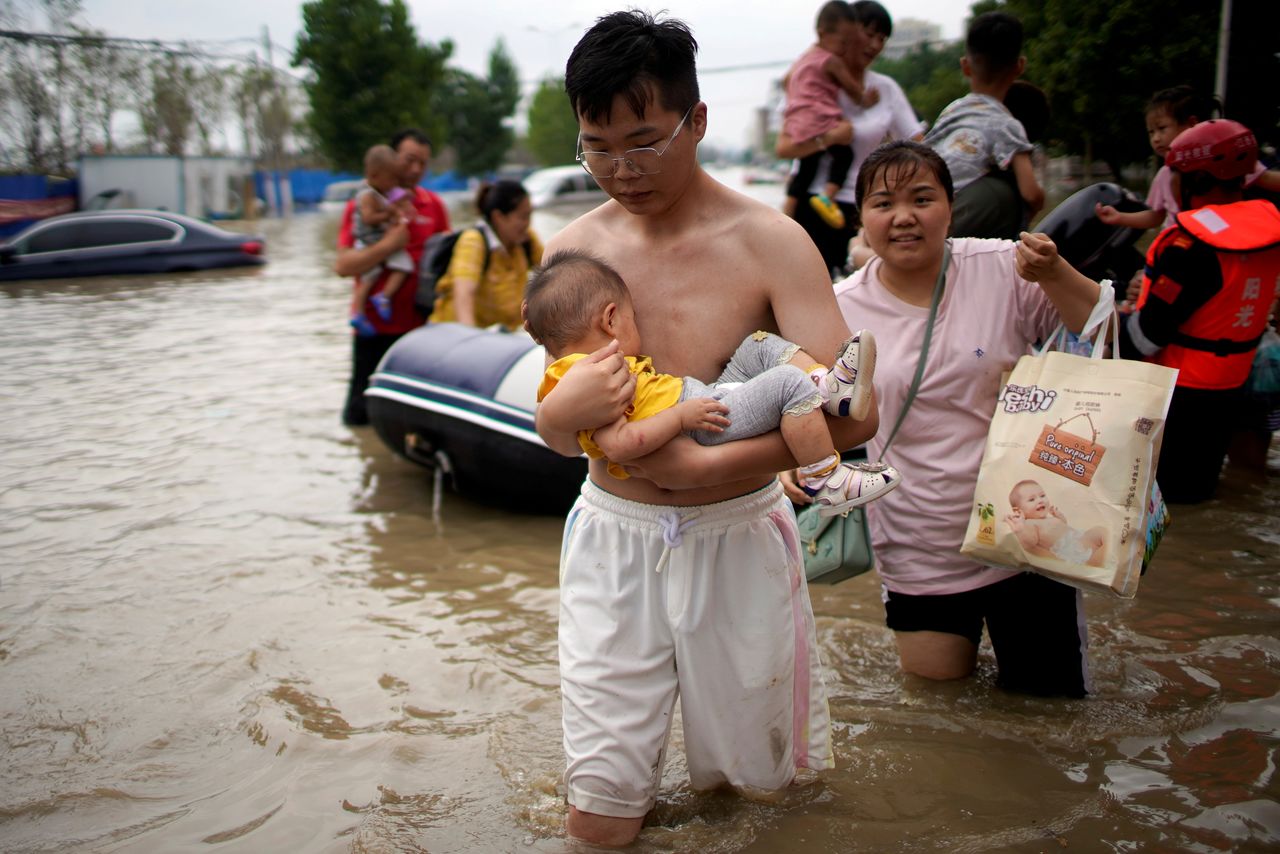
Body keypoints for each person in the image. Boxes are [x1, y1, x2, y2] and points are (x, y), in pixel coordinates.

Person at [535, 10, 878, 846]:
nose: (621, 168)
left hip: (737, 535)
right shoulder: (574, 254)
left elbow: (851, 411)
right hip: (614, 538)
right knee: (600, 811)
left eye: (644, 141)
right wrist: (558, 421)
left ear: (698, 121)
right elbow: (555, 422)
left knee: (754, 799)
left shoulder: (771, 243)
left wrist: (700, 473)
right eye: (597, 145)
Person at [804, 140, 1100, 698]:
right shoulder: (839, 308)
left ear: (950, 205)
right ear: (863, 217)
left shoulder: (1004, 268)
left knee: (1053, 712)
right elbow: (807, 405)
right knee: (941, 711)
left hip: (1028, 531)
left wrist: (1057, 273)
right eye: (883, 203)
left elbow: (1098, 331)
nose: (904, 217)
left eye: (922, 198)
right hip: (918, 540)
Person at [525, 249, 896, 513]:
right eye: (633, 317)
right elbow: (620, 446)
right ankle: (825, 478)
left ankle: (826, 386)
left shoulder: (573, 368)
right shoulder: (595, 373)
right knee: (785, 383)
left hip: (701, 398)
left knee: (757, 345)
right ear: (610, 320)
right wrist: (681, 418)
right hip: (699, 424)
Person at [1117, 119, 1280, 503]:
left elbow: (1147, 335)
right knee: (1200, 492)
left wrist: (1104, 319)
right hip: (1230, 384)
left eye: (1175, 174)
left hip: (1180, 393)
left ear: (1198, 180)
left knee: (1161, 502)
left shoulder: (1189, 247)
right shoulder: (1270, 230)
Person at [776, 0, 923, 278]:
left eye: (882, 38)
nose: (875, 45)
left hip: (865, 208)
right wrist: (830, 138)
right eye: (869, 34)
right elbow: (783, 148)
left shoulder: (885, 89)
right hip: (814, 205)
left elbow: (918, 145)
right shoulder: (812, 83)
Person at [335, 129, 452, 426]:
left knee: (412, 420)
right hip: (373, 329)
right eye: (409, 160)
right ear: (389, 159)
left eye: (423, 164)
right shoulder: (363, 205)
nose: (415, 170)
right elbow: (343, 265)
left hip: (420, 330)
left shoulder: (434, 206)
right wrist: (388, 246)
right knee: (361, 417)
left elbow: (447, 261)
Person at [923, 11, 1044, 240]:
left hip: (923, 204)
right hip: (954, 217)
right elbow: (1030, 193)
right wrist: (1039, 202)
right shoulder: (1008, 124)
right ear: (1020, 66)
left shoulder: (951, 110)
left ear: (965, 66)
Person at [1096, 86, 1280, 233]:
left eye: (1162, 128)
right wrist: (1120, 217)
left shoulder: (1227, 159)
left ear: (1192, 124)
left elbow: (1269, 180)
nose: (1156, 138)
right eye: (1151, 132)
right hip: (1180, 249)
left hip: (1225, 244)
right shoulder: (1164, 174)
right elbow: (1156, 216)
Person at [781, 1, 879, 229]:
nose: (845, 48)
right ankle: (828, 196)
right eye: (843, 42)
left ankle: (789, 205)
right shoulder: (831, 61)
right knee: (844, 154)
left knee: (807, 164)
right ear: (823, 34)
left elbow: (787, 81)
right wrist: (867, 100)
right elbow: (853, 91)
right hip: (821, 119)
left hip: (799, 119)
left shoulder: (802, 60)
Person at [428, 180, 543, 329]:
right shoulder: (473, 241)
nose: (528, 223)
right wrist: (471, 339)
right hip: (457, 336)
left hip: (504, 334)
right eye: (523, 217)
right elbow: (463, 295)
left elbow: (553, 275)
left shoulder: (526, 240)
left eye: (529, 216)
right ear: (498, 217)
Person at [348, 144, 416, 336]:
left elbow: (399, 198)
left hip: (376, 240)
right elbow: (369, 218)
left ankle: (378, 300)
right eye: (392, 178)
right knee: (374, 276)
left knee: (380, 274)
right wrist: (387, 214)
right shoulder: (366, 196)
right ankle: (363, 310)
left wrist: (404, 201)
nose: (395, 182)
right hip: (370, 241)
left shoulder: (382, 192)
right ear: (375, 175)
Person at [1006, 480, 1107, 567]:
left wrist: (1059, 517)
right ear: (1018, 511)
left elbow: (1063, 526)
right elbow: (1029, 543)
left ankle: (1105, 552)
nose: (1040, 500)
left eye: (1042, 495)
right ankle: (1097, 561)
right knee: (1102, 550)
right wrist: (1020, 529)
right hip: (1073, 551)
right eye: (1032, 499)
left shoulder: (1048, 519)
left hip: (1080, 537)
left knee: (1100, 530)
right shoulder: (1029, 524)